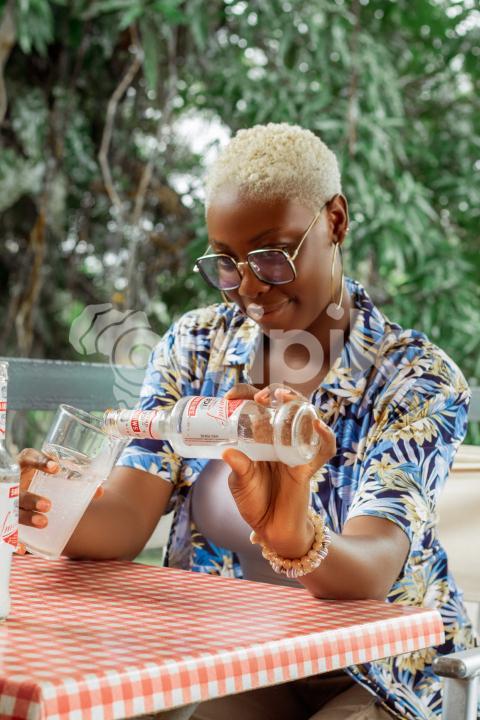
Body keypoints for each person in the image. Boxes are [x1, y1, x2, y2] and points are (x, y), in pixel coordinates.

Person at [18, 123, 477, 720]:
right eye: (228, 263)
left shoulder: (415, 378)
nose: (251, 287)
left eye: (272, 255)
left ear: (334, 221)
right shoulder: (196, 346)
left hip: (382, 675)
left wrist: (295, 536)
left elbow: (374, 568)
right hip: (240, 653)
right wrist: (51, 507)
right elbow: (128, 517)